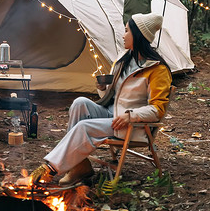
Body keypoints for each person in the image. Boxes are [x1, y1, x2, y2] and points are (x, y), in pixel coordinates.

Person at [20, 12, 172, 186]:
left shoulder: (157, 70)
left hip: (132, 125)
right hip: (112, 115)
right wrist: (104, 89)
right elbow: (114, 97)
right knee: (80, 103)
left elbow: (157, 109)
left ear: (138, 35)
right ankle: (79, 166)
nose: (123, 36)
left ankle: (47, 170)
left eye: (126, 31)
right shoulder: (124, 60)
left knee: (84, 127)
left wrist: (130, 116)